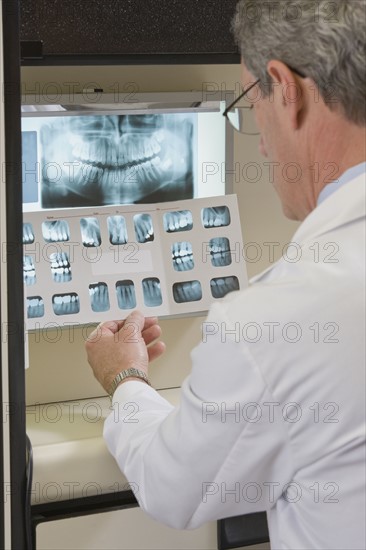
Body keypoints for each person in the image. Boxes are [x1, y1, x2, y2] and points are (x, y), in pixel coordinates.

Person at [86, 1, 366, 548]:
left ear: (286, 89)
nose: (260, 142)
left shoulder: (283, 316)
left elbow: (175, 487)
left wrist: (124, 378)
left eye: (248, 104)